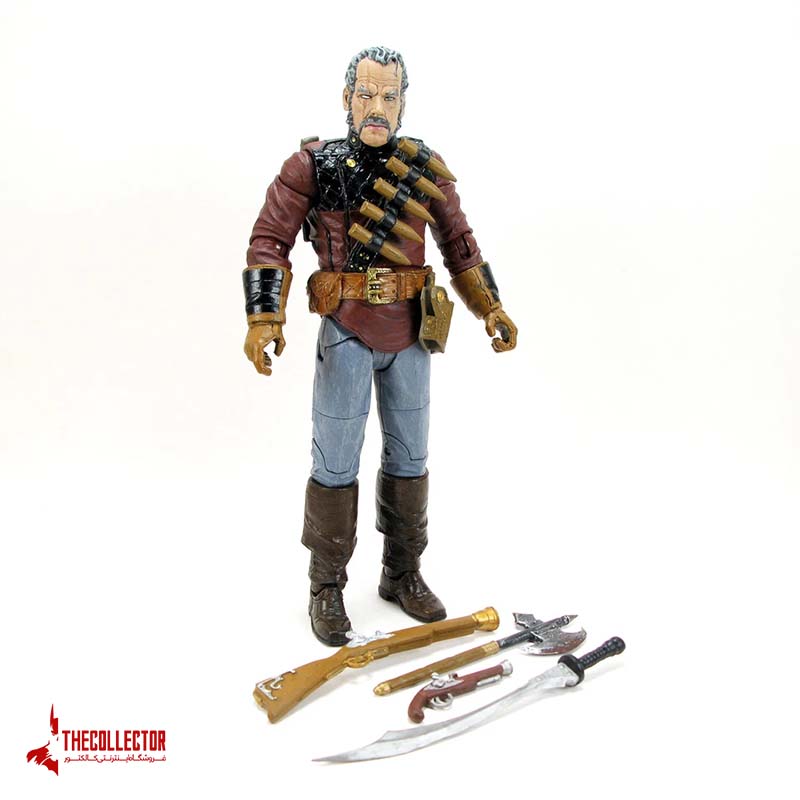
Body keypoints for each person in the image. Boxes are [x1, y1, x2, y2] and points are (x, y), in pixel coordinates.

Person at [242, 46, 517, 645]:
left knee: (410, 459)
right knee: (335, 464)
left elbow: (460, 244)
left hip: (412, 336)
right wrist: (265, 318)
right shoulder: (311, 166)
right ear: (347, 99)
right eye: (365, 94)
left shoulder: (423, 167)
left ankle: (402, 571)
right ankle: (326, 584)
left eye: (388, 96)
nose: (376, 107)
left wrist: (490, 307)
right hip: (346, 329)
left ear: (402, 103)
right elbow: (270, 239)